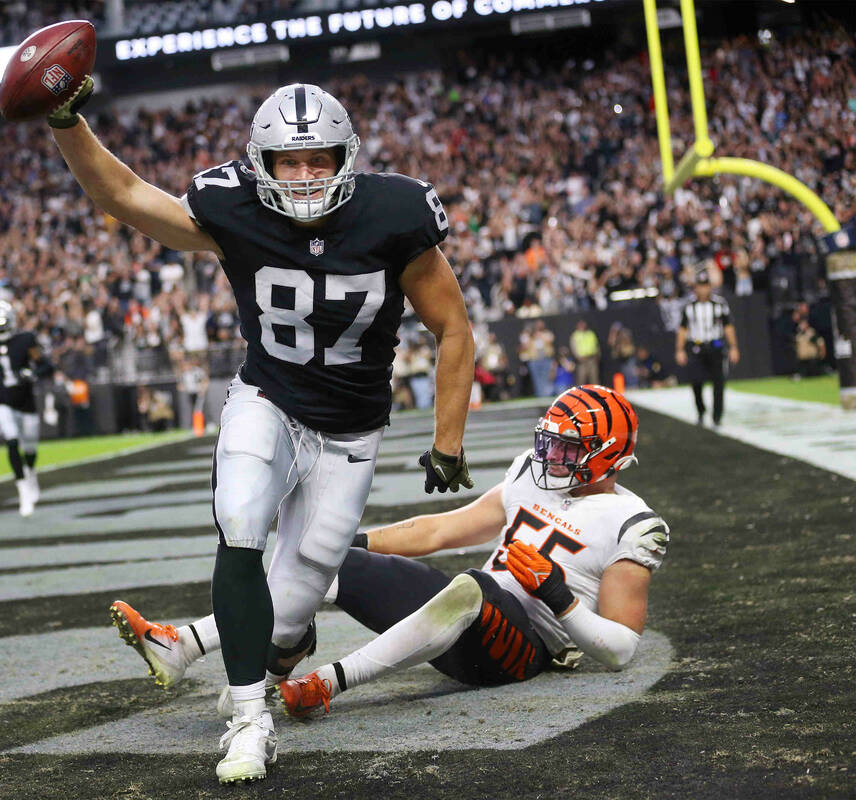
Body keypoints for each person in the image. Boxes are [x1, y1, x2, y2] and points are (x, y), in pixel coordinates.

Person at [45, 80, 475, 783]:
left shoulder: (396, 212)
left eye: (319, 159)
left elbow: (453, 327)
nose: (305, 176)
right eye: (288, 162)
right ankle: (250, 723)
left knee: (290, 614)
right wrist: (66, 120)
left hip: (351, 433)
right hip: (267, 399)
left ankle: (193, 647)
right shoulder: (232, 205)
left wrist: (447, 441)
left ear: (347, 156)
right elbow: (122, 194)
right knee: (241, 521)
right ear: (260, 164)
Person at [110, 387, 667, 722]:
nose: (550, 456)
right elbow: (440, 531)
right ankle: (183, 645)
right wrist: (349, 543)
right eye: (548, 441)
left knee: (474, 585)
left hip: (523, 652)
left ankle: (325, 683)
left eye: (567, 449)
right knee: (322, 558)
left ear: (608, 456)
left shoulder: (632, 523)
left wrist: (558, 595)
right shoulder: (530, 472)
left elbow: (619, 651)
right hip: (463, 612)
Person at [0, 299, 48, 516]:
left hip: (25, 401)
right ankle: (22, 489)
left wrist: (33, 373)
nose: (1, 328)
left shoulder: (25, 340)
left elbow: (45, 364)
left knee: (30, 448)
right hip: (1, 401)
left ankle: (31, 474)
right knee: (12, 440)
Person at [675, 271, 739, 426]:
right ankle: (701, 411)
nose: (703, 290)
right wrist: (680, 349)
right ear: (695, 288)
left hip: (715, 346)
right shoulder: (689, 306)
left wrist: (733, 347)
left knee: (719, 382)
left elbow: (728, 326)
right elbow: (683, 329)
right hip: (697, 347)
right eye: (700, 286)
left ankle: (717, 416)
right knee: (696, 381)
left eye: (705, 286)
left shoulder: (719, 304)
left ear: (710, 287)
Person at [569, 319, 600, 386]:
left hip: (592, 359)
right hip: (581, 361)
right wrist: (578, 357)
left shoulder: (591, 334)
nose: (582, 326)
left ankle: (596, 394)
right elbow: (573, 347)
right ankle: (580, 395)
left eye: (583, 324)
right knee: (581, 379)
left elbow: (596, 346)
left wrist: (597, 356)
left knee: (594, 378)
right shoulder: (575, 335)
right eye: (580, 324)